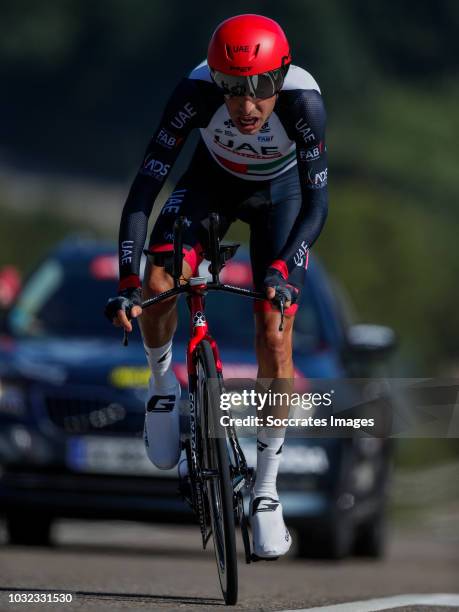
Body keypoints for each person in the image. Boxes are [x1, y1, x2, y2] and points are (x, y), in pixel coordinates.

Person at [105, 14, 328, 559]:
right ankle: (163, 389)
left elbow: (318, 204)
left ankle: (267, 489)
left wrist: (285, 272)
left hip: (282, 199)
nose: (247, 107)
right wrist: (130, 283)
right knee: (160, 278)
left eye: (259, 90)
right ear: (215, 80)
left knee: (276, 331)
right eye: (232, 90)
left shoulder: (304, 105)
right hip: (211, 184)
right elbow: (144, 190)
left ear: (281, 77)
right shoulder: (194, 92)